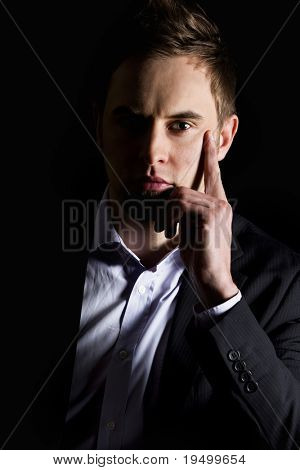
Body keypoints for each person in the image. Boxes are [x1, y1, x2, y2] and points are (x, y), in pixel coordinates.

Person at [4, 0, 298, 451]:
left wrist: (220, 296)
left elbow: (289, 444)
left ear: (222, 138)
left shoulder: (283, 283)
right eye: (131, 121)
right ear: (97, 125)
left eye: (180, 124)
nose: (151, 153)